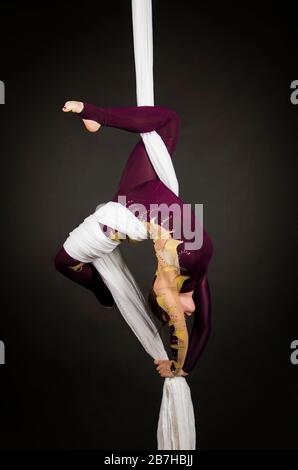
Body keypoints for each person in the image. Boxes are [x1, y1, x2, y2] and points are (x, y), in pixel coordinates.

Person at [54, 101, 213, 378]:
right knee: (168, 120)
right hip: (149, 187)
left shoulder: (168, 284)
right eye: (183, 314)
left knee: (63, 261)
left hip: (132, 213)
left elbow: (182, 335)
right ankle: (95, 117)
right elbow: (206, 325)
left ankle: (103, 293)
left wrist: (178, 367)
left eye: (173, 313)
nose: (184, 315)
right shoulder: (199, 276)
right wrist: (185, 367)